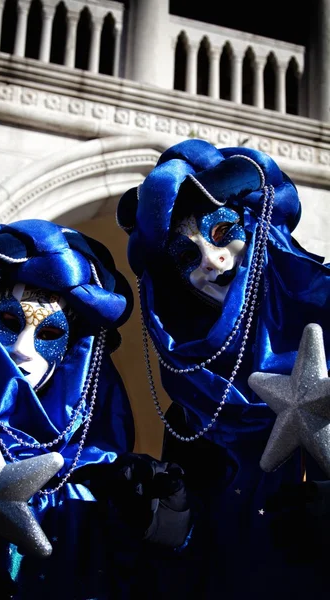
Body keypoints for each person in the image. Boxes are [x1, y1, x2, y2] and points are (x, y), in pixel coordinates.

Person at [117, 138, 330, 599]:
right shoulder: (195, 413)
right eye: (186, 258)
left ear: (253, 227)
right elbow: (190, 568)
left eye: (219, 231)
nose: (213, 262)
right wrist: (172, 518)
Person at [0, 218, 140, 599]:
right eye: (10, 322)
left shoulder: (93, 466)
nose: (22, 349)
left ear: (72, 352)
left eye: (48, 334)